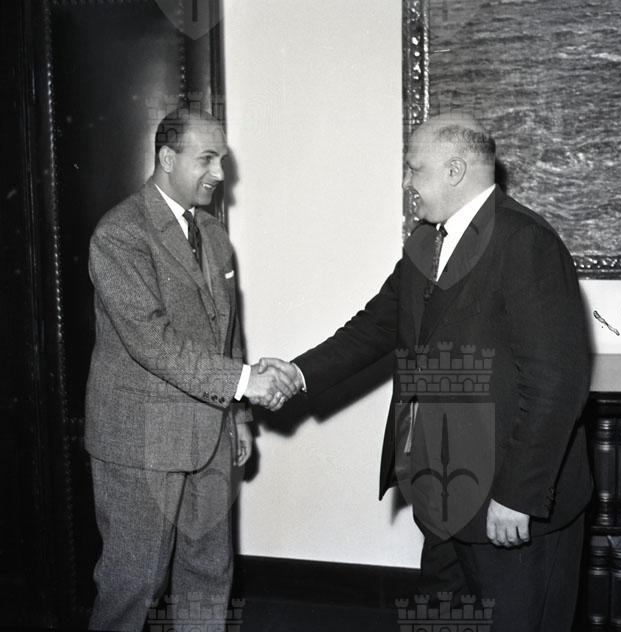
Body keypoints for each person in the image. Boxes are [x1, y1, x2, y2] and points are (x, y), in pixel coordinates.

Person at [262, 113, 592, 631]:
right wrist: (297, 374)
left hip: (510, 508)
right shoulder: (426, 242)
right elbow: (375, 326)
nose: (406, 182)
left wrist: (517, 497)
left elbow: (556, 383)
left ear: (455, 171)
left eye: (414, 169)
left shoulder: (526, 241)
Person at [84, 106, 296, 632]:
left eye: (221, 160)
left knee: (208, 577)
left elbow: (228, 329)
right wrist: (245, 382)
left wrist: (239, 416)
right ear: (166, 157)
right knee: (135, 583)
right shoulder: (120, 234)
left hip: (210, 434)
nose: (219, 173)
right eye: (207, 159)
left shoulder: (214, 234)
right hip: (141, 443)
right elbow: (150, 341)